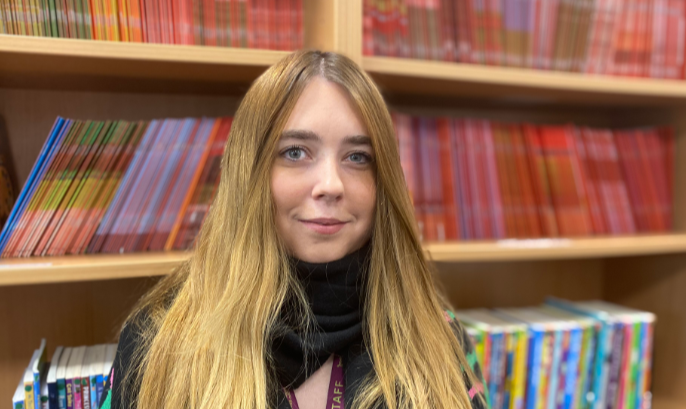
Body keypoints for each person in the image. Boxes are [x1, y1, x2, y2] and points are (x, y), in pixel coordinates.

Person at [99, 50, 487, 409]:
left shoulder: (439, 340)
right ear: (249, 174)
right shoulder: (156, 341)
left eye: (357, 157)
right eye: (296, 152)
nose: (331, 185)